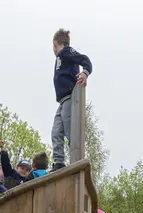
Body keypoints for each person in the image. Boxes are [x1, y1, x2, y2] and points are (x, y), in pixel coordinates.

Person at [51, 29, 92, 171]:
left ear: (55, 44)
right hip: (62, 101)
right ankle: (58, 162)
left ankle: (76, 160)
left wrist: (85, 73)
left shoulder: (66, 52)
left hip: (69, 98)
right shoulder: (60, 58)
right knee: (56, 132)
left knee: (70, 132)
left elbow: (85, 60)